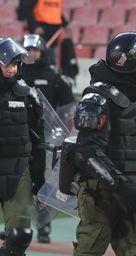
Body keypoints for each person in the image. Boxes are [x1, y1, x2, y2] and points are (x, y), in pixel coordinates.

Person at [61, 31, 136, 256]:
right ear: (127, 62)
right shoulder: (97, 98)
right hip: (102, 193)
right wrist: (124, 188)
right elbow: (88, 153)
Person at [20, 33, 75, 243]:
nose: (32, 53)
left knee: (42, 184)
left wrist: (60, 133)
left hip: (45, 140)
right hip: (20, 137)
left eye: (35, 50)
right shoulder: (16, 73)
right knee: (17, 181)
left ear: (42, 52)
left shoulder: (53, 76)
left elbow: (68, 108)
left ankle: (43, 226)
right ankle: (17, 225)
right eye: (29, 50)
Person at [0, 37, 45, 255]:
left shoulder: (28, 95)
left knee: (20, 235)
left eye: (16, 64)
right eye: (8, 63)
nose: (13, 68)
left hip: (18, 168)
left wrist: (40, 180)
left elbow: (38, 140)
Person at [22, 0, 68, 65]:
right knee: (39, 53)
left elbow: (57, 10)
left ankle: (51, 70)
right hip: (41, 27)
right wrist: (35, 26)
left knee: (52, 54)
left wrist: (65, 24)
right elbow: (28, 8)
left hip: (55, 28)